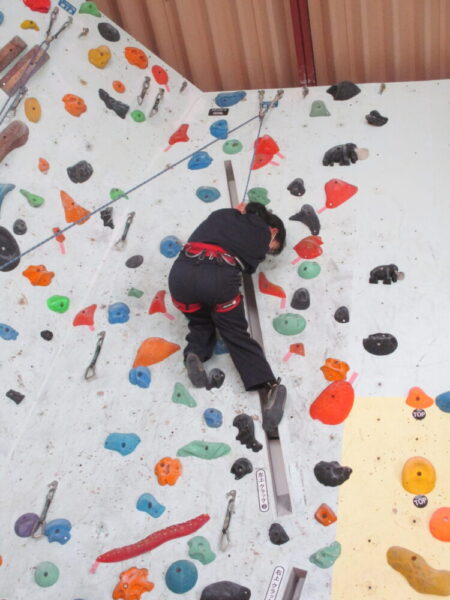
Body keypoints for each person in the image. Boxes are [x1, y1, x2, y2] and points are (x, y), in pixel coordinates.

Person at [168, 202, 287, 432]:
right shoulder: (263, 232)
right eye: (271, 249)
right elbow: (249, 265)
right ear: (274, 231)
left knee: (200, 321)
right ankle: (269, 386)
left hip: (180, 276)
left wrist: (240, 214)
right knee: (234, 332)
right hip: (218, 276)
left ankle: (195, 353)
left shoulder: (221, 214)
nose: (266, 253)